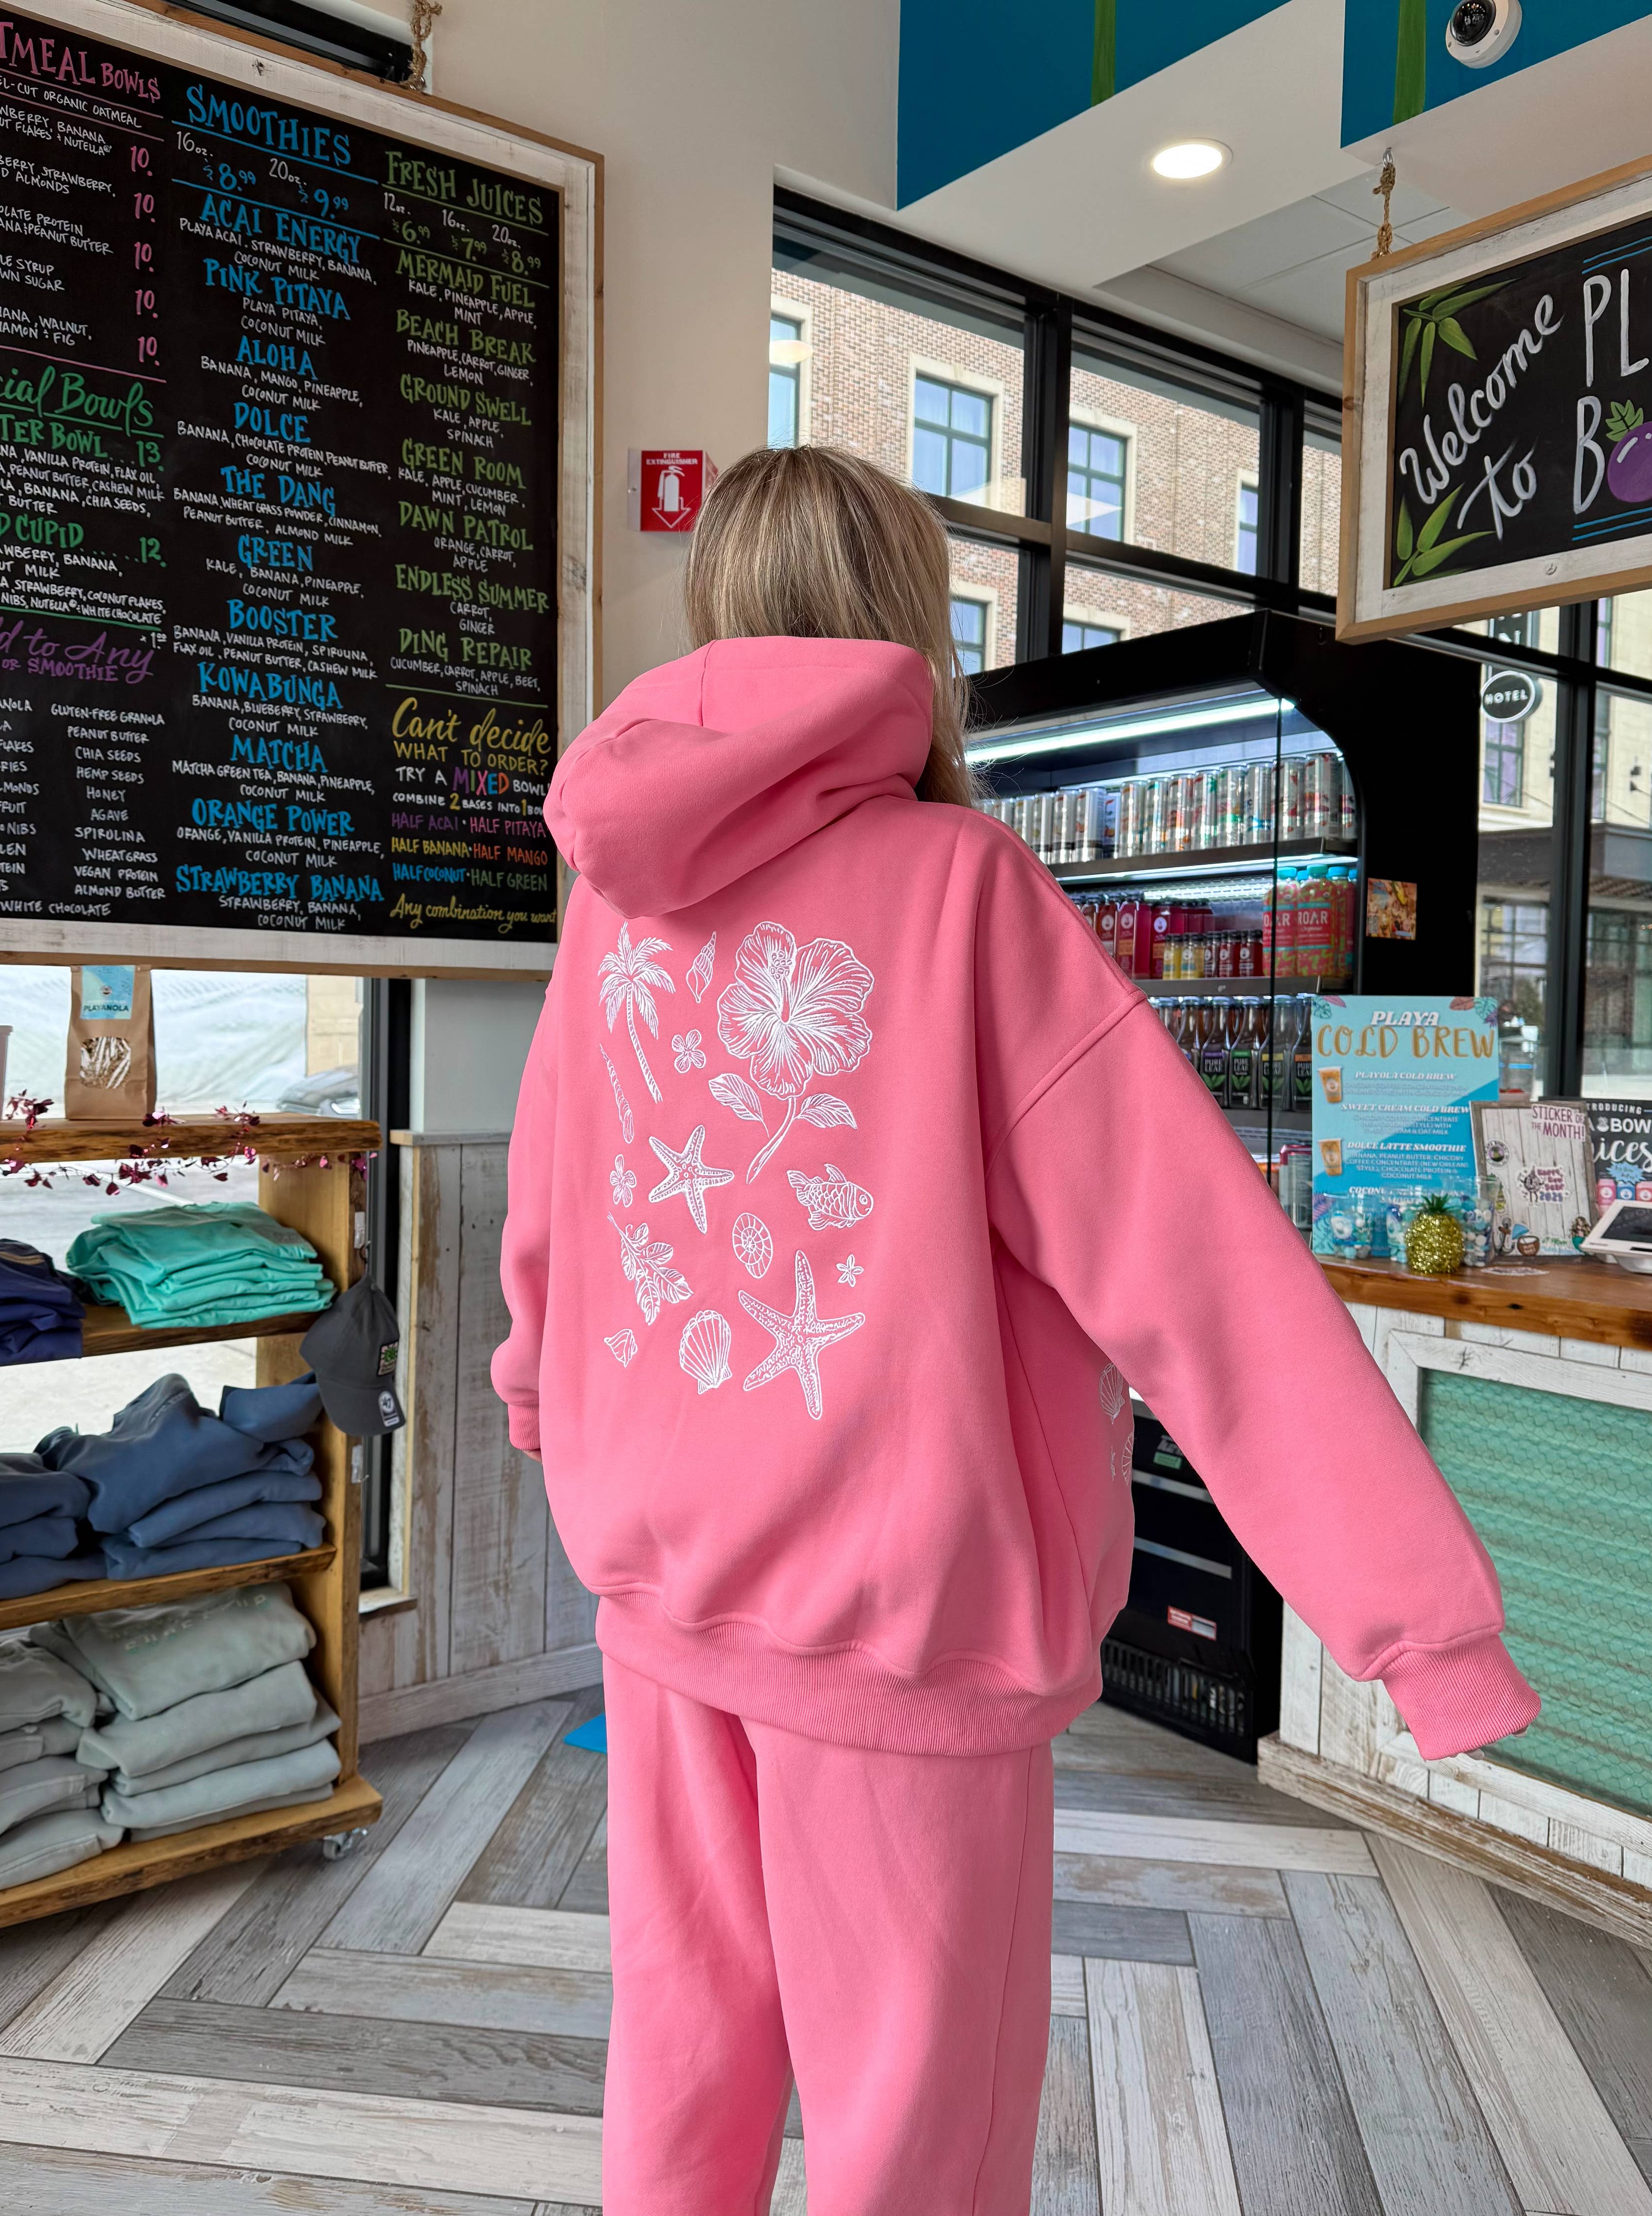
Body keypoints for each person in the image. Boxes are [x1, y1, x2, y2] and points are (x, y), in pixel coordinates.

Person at [493, 444, 1538, 2216]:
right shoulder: (960, 889)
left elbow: (554, 1191)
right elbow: (1194, 1273)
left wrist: (540, 1393)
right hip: (901, 1624)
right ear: (910, 624)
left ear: (717, 608)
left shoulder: (616, 903)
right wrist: (1421, 1627)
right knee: (916, 2123)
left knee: (682, 2053)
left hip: (656, 1583)